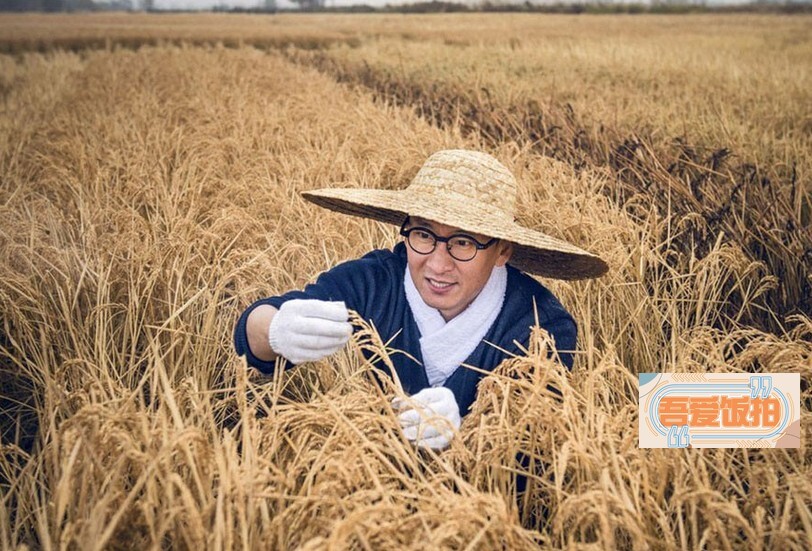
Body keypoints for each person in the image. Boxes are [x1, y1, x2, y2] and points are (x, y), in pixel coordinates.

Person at [234, 149, 607, 450]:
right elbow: (254, 329)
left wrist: (468, 430)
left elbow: (532, 451)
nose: (437, 264)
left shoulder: (540, 326)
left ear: (503, 251)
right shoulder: (373, 284)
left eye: (463, 242)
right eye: (424, 235)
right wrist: (275, 330)